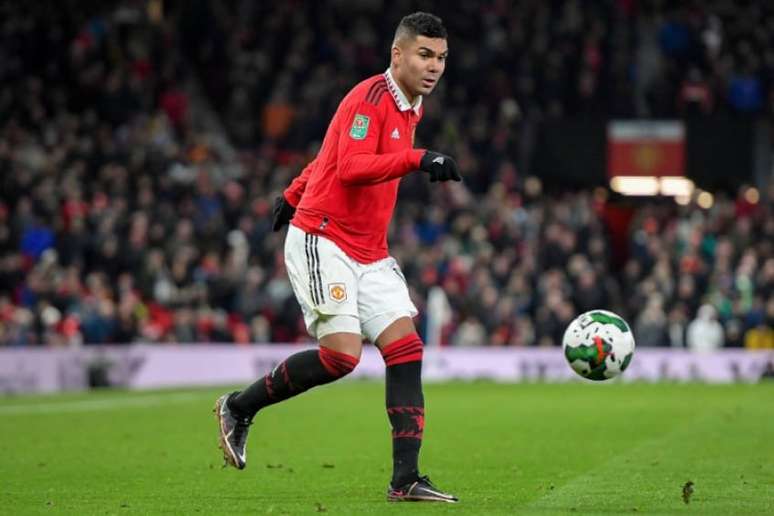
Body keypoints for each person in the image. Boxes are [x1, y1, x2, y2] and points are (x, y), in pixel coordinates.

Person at [214, 12, 460, 503]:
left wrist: (294, 188)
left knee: (406, 350)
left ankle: (405, 480)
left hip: (369, 250)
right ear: (398, 54)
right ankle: (239, 407)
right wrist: (419, 158)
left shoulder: (411, 107)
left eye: (441, 58)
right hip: (323, 238)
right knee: (343, 356)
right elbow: (349, 167)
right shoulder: (371, 98)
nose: (434, 66)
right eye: (424, 55)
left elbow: (329, 152)